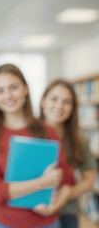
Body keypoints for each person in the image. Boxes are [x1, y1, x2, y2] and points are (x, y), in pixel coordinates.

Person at [0, 64, 75, 228]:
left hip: (47, 222)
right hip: (5, 223)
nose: (8, 95)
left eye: (13, 87)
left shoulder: (48, 132)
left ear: (25, 89)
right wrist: (42, 183)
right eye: (0, 90)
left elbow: (67, 180)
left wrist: (55, 207)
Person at [40, 79, 97, 228]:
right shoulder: (28, 134)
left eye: (67, 102)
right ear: (43, 101)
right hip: (35, 210)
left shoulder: (79, 138)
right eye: (54, 99)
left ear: (73, 107)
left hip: (68, 211)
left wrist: (68, 193)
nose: (60, 106)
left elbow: (90, 178)